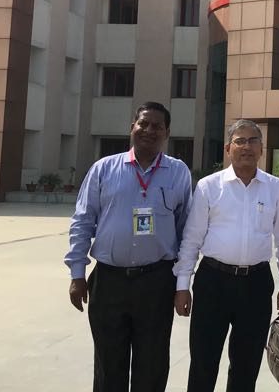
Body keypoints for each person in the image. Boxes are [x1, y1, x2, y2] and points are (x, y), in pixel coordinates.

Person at [65, 102, 193, 392]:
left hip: (157, 282)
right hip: (109, 281)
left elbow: (187, 230)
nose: (149, 130)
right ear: (132, 127)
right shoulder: (104, 169)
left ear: (167, 133)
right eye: (143, 124)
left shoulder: (178, 172)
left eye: (157, 126)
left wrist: (182, 283)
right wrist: (76, 274)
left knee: (152, 364)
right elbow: (82, 221)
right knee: (109, 366)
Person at [173, 119, 279, 392]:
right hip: (213, 282)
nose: (247, 147)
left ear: (262, 149)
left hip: (256, 284)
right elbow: (192, 239)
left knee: (246, 366)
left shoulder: (275, 187)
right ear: (228, 148)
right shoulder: (209, 186)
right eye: (240, 141)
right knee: (203, 362)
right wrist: (183, 285)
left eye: (253, 141)